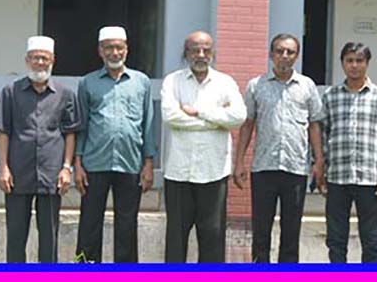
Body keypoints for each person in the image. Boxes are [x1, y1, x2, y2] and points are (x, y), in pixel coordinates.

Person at [233, 33, 324, 263]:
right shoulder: (256, 85)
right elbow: (247, 124)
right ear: (271, 54)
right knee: (261, 230)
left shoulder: (307, 86)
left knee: (291, 231)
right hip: (264, 167)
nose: (284, 56)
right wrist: (239, 162)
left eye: (290, 52)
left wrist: (319, 161)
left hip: (296, 168)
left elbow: (314, 124)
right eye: (279, 51)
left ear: (296, 56)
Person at [0, 35, 80, 263]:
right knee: (16, 236)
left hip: (51, 175)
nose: (40, 62)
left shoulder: (65, 94)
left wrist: (66, 168)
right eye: (35, 58)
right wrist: (3, 168)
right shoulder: (11, 92)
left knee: (49, 238)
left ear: (52, 60)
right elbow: (3, 131)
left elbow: (70, 133)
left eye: (44, 58)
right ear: (27, 60)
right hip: (17, 174)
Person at [160, 31, 246, 263]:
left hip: (213, 172)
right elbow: (171, 117)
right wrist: (217, 120)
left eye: (206, 50)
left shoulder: (225, 82)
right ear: (185, 53)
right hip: (179, 172)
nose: (201, 55)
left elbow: (238, 116)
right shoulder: (172, 81)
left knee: (213, 237)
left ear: (213, 53)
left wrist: (198, 112)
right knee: (176, 239)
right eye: (195, 50)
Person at [74, 26, 156, 263]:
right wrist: (77, 164)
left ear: (126, 49)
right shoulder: (87, 82)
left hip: (130, 163)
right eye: (108, 47)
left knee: (127, 224)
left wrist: (148, 163)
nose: (114, 52)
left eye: (119, 47)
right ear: (100, 51)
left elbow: (148, 124)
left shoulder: (141, 82)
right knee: (89, 223)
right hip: (94, 163)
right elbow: (82, 125)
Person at [310, 42, 377, 263]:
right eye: (349, 61)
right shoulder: (330, 96)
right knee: (336, 238)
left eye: (359, 61)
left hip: (369, 178)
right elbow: (322, 133)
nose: (354, 65)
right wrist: (319, 165)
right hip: (337, 177)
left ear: (367, 63)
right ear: (342, 63)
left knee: (371, 239)